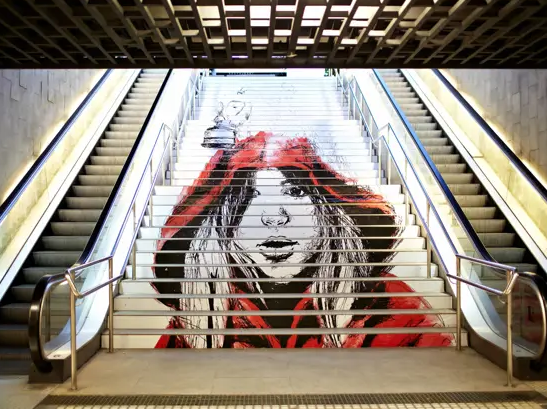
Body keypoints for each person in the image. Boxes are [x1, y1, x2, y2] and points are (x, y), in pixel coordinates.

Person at [152, 131, 453, 348]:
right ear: (224, 225)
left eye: (293, 192)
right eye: (250, 197)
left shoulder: (394, 307)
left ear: (328, 214)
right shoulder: (201, 315)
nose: (274, 216)